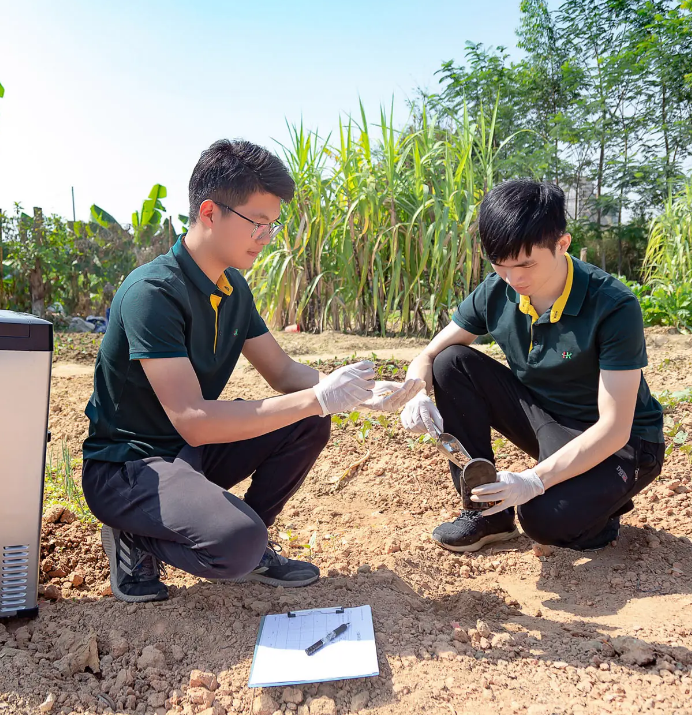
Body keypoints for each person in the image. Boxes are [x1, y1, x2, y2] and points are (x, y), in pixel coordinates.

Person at [81, 139, 421, 603]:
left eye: (272, 225)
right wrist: (320, 397)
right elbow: (195, 421)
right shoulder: (154, 292)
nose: (265, 237)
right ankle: (134, 536)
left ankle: (252, 539)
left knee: (308, 422)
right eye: (257, 223)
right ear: (209, 212)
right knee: (235, 546)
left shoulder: (232, 288)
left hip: (186, 460)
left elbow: (282, 371)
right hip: (128, 468)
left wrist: (357, 389)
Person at [398, 179, 664, 553]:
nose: (515, 279)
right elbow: (428, 355)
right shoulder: (498, 289)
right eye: (501, 265)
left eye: (526, 264)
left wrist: (534, 481)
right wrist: (415, 391)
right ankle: (487, 513)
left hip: (623, 442)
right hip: (548, 418)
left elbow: (614, 428)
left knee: (544, 519)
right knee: (450, 363)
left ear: (562, 244)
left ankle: (601, 509)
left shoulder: (613, 306)